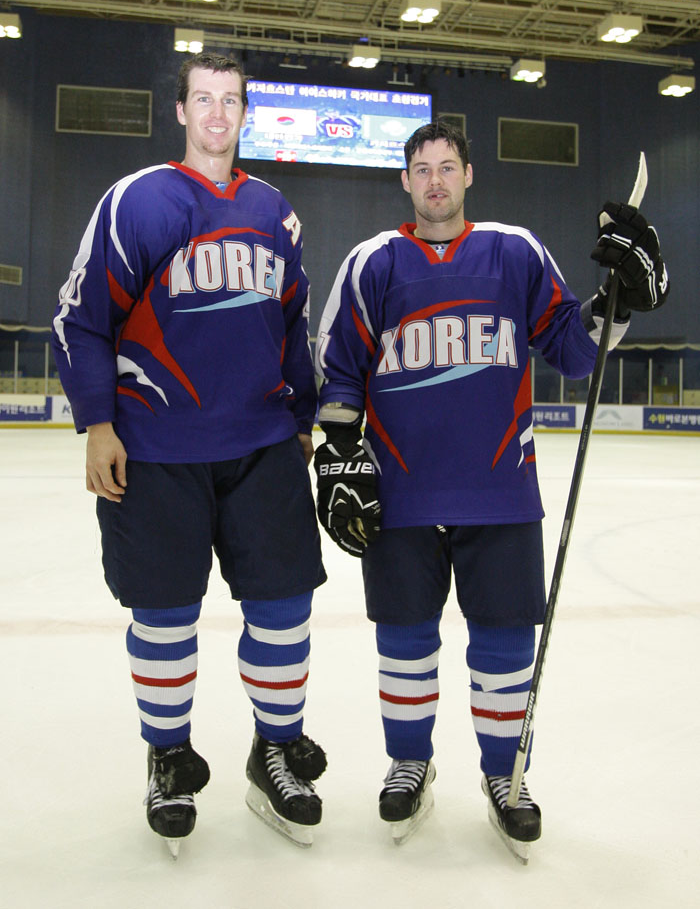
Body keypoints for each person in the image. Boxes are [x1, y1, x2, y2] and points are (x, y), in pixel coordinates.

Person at [313, 120, 668, 860]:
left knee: (506, 647)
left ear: (468, 174)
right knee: (404, 643)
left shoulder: (514, 251)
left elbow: (574, 347)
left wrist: (618, 302)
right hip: (403, 495)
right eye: (422, 169)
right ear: (405, 181)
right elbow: (340, 367)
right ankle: (410, 760)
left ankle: (506, 776)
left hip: (501, 491)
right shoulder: (373, 262)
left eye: (448, 166)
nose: (435, 180)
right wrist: (340, 451)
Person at [51, 52, 328, 855]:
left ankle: (275, 750)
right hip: (156, 447)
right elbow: (81, 318)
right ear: (181, 111)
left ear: (246, 114)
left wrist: (302, 417)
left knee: (283, 608)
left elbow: (293, 322)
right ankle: (168, 756)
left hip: (262, 443)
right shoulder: (140, 200)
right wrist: (98, 422)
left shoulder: (275, 211)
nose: (216, 113)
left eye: (230, 100)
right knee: (165, 612)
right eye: (202, 99)